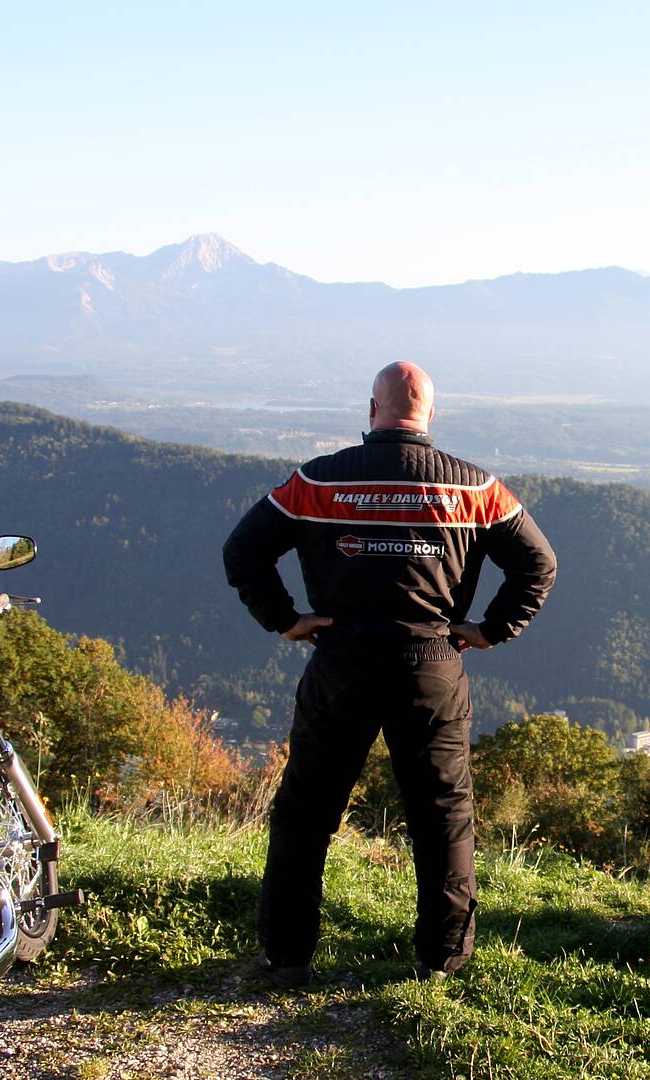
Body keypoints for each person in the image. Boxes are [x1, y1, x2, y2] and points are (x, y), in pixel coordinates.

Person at [222, 361, 557, 986]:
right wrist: (491, 628)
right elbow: (538, 564)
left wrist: (285, 619)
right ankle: (442, 962)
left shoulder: (316, 482)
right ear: (429, 413)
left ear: (371, 411)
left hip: (340, 662)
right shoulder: (475, 489)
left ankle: (287, 956)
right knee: (442, 816)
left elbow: (242, 550)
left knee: (307, 813)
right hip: (432, 666)